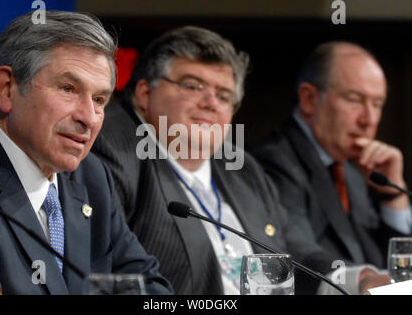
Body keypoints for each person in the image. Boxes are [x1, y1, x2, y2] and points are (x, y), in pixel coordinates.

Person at [0, 11, 172, 295]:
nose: (89, 117)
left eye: (100, 100)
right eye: (68, 88)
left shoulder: (91, 176)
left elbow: (149, 287)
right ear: (6, 89)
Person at [92, 26, 291, 294]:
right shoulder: (110, 150)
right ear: (144, 94)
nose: (211, 102)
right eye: (192, 86)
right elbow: (110, 277)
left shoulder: (243, 168)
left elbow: (286, 252)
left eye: (224, 95)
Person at [252, 41, 411, 294]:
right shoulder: (274, 161)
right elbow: (293, 250)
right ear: (309, 98)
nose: (368, 120)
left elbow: (385, 263)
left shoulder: (351, 169)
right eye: (355, 100)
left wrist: (393, 196)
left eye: (377, 104)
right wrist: (362, 280)